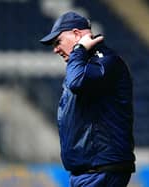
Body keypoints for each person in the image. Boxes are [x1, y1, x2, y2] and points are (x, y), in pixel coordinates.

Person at [40, 11, 135, 187]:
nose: (55, 49)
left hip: (101, 170)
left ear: (77, 34)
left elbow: (77, 83)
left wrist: (79, 49)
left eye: (58, 42)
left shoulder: (105, 61)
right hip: (89, 171)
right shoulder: (86, 64)